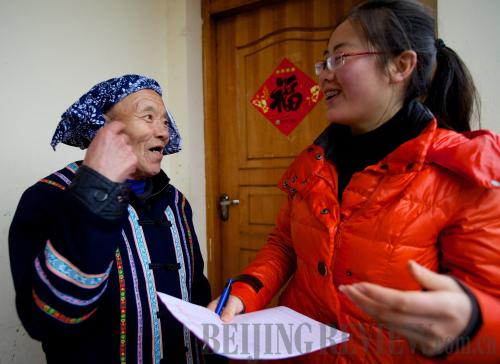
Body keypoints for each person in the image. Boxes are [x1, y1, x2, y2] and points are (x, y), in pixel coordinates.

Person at [208, 0, 500, 363]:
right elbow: (285, 243)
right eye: (324, 61)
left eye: (340, 58)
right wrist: (245, 292)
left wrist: (469, 325)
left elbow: (489, 318)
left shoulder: (463, 172)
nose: (324, 74)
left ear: (401, 66)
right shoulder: (315, 162)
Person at [9, 75, 212, 364]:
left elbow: (196, 288)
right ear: (104, 128)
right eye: (149, 117)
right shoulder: (47, 198)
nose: (164, 133)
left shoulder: (177, 202)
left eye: (165, 122)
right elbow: (44, 320)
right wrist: (97, 193)